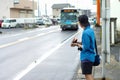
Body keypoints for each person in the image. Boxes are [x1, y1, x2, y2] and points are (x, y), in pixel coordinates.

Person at [71, 15, 96, 80]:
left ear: (81, 22)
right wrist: (78, 43)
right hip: (90, 56)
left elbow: (86, 47)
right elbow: (86, 43)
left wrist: (76, 44)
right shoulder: (90, 30)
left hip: (86, 57)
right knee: (88, 75)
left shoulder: (85, 33)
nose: (78, 23)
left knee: (88, 75)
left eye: (78, 21)